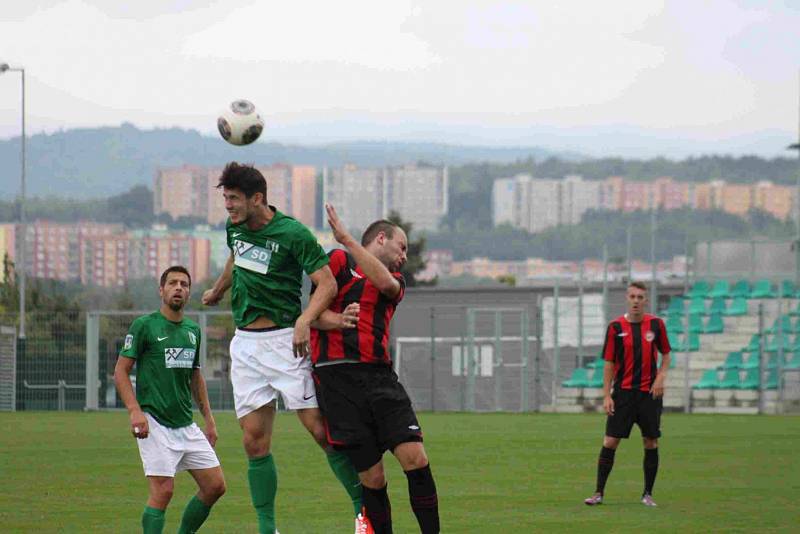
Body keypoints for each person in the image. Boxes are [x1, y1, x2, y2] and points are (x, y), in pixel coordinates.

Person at [201, 163, 364, 534]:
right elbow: (234, 255)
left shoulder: (293, 233)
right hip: (245, 346)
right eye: (225, 198)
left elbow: (326, 285)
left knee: (320, 431)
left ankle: (363, 512)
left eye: (234, 199)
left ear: (257, 198)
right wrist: (218, 289)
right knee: (253, 441)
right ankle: (267, 529)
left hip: (284, 342)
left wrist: (305, 321)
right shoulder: (234, 227)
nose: (228, 206)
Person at [310, 204, 440, 534]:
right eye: (402, 247)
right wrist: (339, 320)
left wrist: (347, 239)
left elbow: (385, 285)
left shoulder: (394, 279)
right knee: (373, 478)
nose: (404, 256)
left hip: (379, 378)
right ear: (381, 238)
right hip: (337, 380)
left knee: (416, 459)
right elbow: (313, 313)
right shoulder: (337, 262)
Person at [114, 265, 226, 534]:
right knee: (163, 491)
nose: (179, 288)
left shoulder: (192, 330)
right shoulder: (145, 326)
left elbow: (195, 377)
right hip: (155, 423)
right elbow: (120, 370)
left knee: (215, 486)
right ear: (161, 290)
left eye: (184, 284)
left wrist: (209, 420)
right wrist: (134, 411)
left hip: (185, 423)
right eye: (173, 283)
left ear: (189, 293)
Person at [584, 281, 671, 507]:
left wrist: (661, 377)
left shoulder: (656, 325)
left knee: (650, 441)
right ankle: (598, 493)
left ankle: (647, 494)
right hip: (622, 394)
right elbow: (609, 363)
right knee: (610, 441)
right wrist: (606, 395)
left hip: (649, 395)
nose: (636, 301)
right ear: (627, 298)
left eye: (640, 297)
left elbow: (666, 355)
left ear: (646, 300)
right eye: (632, 297)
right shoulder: (615, 327)